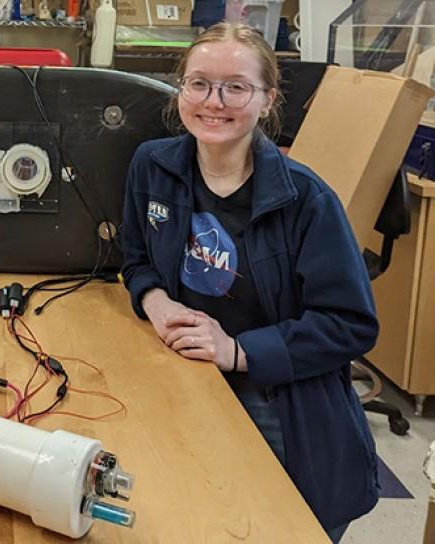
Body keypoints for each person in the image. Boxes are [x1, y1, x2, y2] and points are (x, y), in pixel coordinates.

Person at [119, 23, 378, 543]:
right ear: (181, 90)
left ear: (267, 100)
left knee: (266, 525)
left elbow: (351, 325)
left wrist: (237, 350)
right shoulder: (153, 165)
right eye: (198, 84)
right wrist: (155, 299)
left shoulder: (308, 200)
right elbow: (134, 256)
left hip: (276, 393)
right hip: (187, 378)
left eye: (236, 87)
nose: (213, 102)